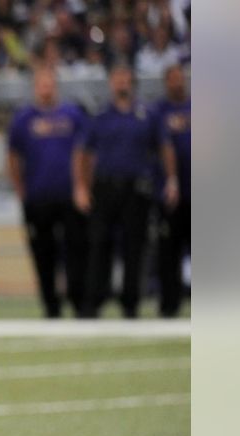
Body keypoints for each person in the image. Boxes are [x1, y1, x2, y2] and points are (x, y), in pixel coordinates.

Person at [7, 66, 90, 318]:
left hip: (69, 196)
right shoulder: (23, 119)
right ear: (35, 86)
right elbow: (13, 157)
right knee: (44, 255)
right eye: (41, 83)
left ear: (56, 85)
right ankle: (50, 306)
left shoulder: (73, 115)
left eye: (49, 83)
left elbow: (86, 153)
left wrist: (83, 186)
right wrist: (20, 190)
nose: (46, 88)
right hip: (37, 197)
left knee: (76, 251)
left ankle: (79, 302)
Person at [73, 64, 154, 318]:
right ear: (111, 83)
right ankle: (94, 300)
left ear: (132, 82)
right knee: (99, 245)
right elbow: (83, 154)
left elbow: (163, 149)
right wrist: (81, 187)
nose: (121, 83)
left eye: (125, 78)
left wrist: (169, 180)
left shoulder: (146, 114)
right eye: (117, 79)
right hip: (105, 187)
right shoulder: (100, 116)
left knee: (134, 247)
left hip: (136, 188)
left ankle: (130, 303)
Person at [152, 64, 190, 317]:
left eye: (179, 78)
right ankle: (169, 304)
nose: (176, 83)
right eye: (171, 79)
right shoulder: (157, 112)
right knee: (169, 250)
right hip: (170, 193)